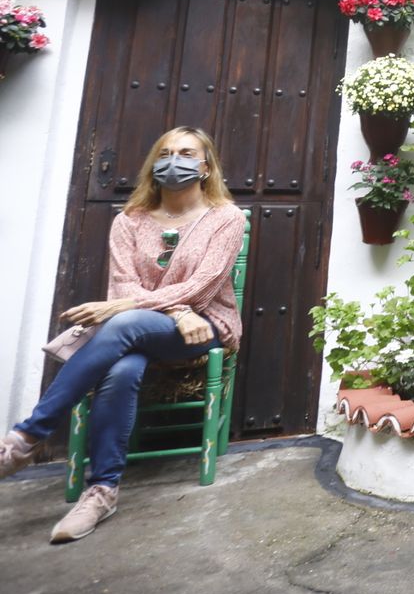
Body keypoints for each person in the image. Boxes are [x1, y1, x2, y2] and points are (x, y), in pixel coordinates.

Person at [0, 126, 247, 544]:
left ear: (206, 166)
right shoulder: (129, 221)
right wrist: (170, 308)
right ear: (154, 163)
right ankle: (102, 491)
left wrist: (143, 308)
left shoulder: (226, 218)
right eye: (165, 152)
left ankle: (27, 436)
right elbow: (124, 285)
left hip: (204, 326)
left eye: (187, 153)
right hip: (147, 326)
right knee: (121, 369)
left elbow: (203, 287)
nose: (175, 160)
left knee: (123, 323)